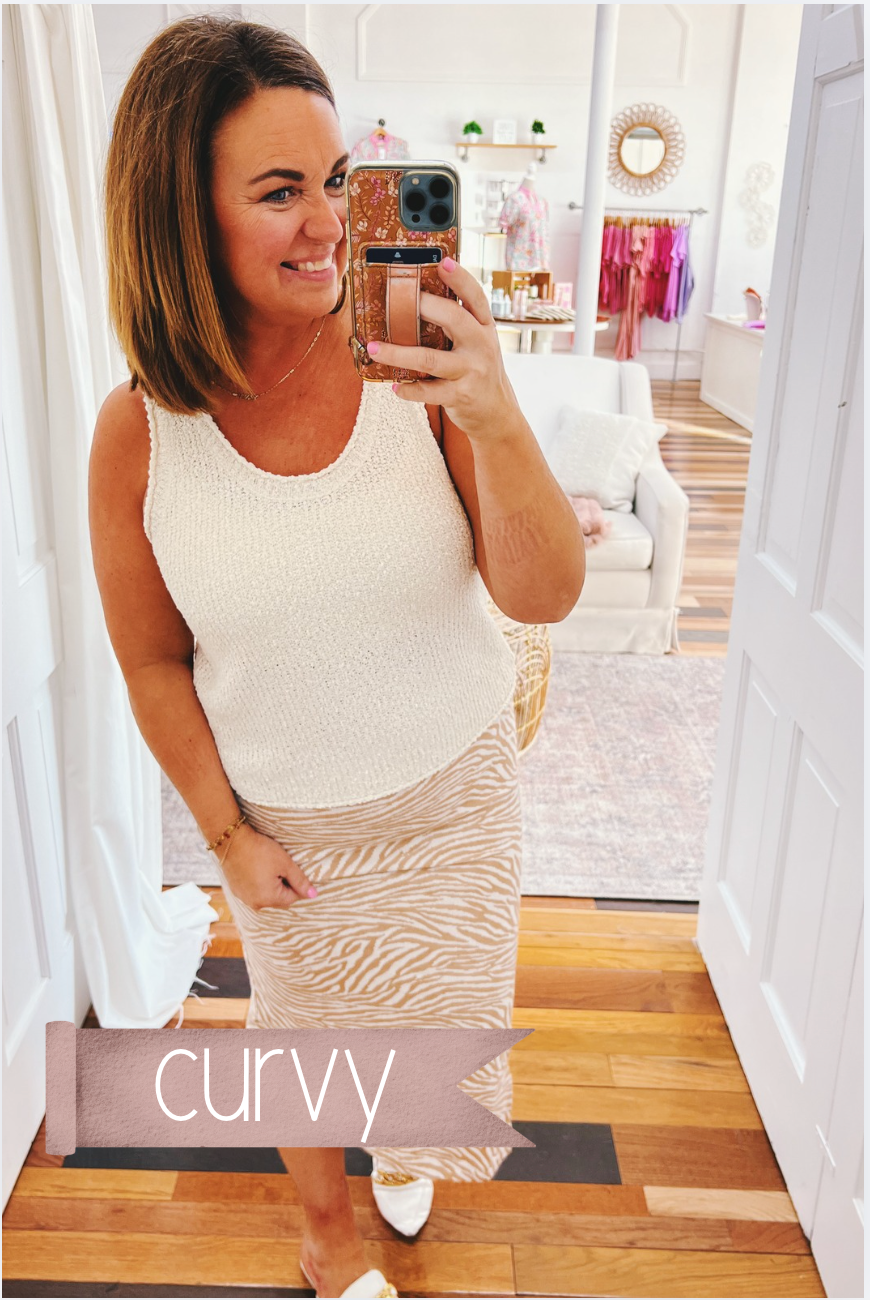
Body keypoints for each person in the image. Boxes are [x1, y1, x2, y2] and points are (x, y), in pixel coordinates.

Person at [89, 15, 585, 1299]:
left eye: (338, 179)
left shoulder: (414, 358)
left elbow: (543, 589)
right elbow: (152, 664)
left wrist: (494, 409)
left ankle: (409, 1143)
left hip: (455, 804)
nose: (328, 224)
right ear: (180, 214)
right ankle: (328, 1236)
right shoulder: (138, 437)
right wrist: (223, 835)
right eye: (278, 192)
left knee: (434, 1031)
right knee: (303, 1038)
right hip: (290, 833)